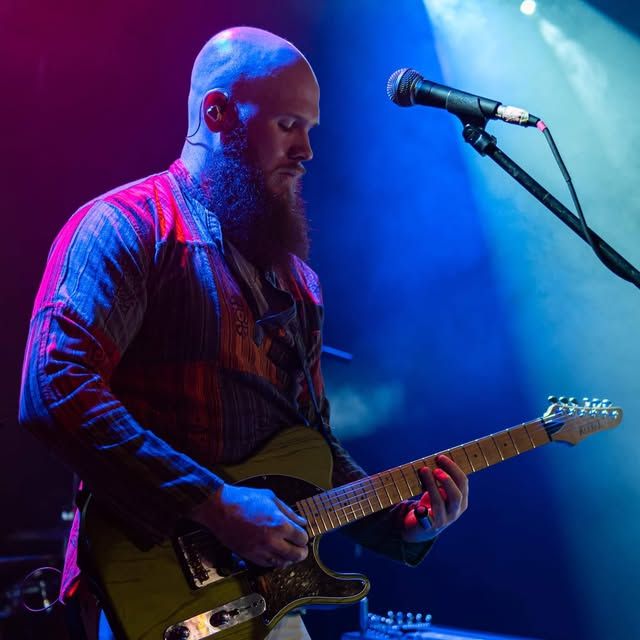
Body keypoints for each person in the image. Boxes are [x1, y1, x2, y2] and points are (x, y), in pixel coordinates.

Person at [19, 26, 469, 640]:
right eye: (288, 125)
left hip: (268, 602)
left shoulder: (298, 281)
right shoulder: (125, 227)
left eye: (311, 130)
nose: (306, 151)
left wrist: (402, 523)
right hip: (154, 593)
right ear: (218, 113)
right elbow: (55, 387)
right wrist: (213, 503)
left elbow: (313, 447)